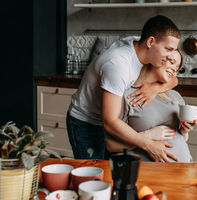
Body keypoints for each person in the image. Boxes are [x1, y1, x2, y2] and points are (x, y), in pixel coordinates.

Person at [67, 15, 181, 160]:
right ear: (151, 41)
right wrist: (149, 144)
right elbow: (110, 121)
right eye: (169, 49)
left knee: (113, 175)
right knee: (93, 177)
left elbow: (174, 79)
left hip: (113, 123)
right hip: (87, 123)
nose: (171, 56)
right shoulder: (119, 65)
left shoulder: (143, 47)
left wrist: (155, 88)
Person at [106, 50, 197, 164]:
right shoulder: (128, 96)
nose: (174, 70)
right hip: (153, 172)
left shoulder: (175, 96)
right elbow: (111, 146)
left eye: (177, 67)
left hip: (185, 166)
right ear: (156, 59)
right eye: (172, 62)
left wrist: (185, 130)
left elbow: (182, 138)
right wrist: (148, 136)